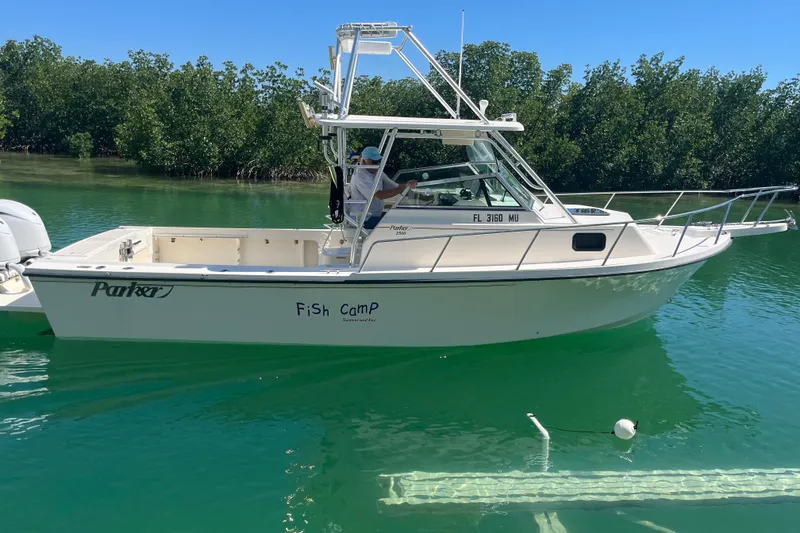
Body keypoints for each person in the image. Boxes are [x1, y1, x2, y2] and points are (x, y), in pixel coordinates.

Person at [349, 146, 417, 229]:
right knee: (402, 224)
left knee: (404, 218)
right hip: (364, 220)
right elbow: (379, 195)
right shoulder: (360, 176)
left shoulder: (378, 172)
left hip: (376, 215)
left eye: (378, 161)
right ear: (363, 160)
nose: (376, 164)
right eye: (373, 161)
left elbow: (397, 187)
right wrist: (402, 188)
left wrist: (410, 187)